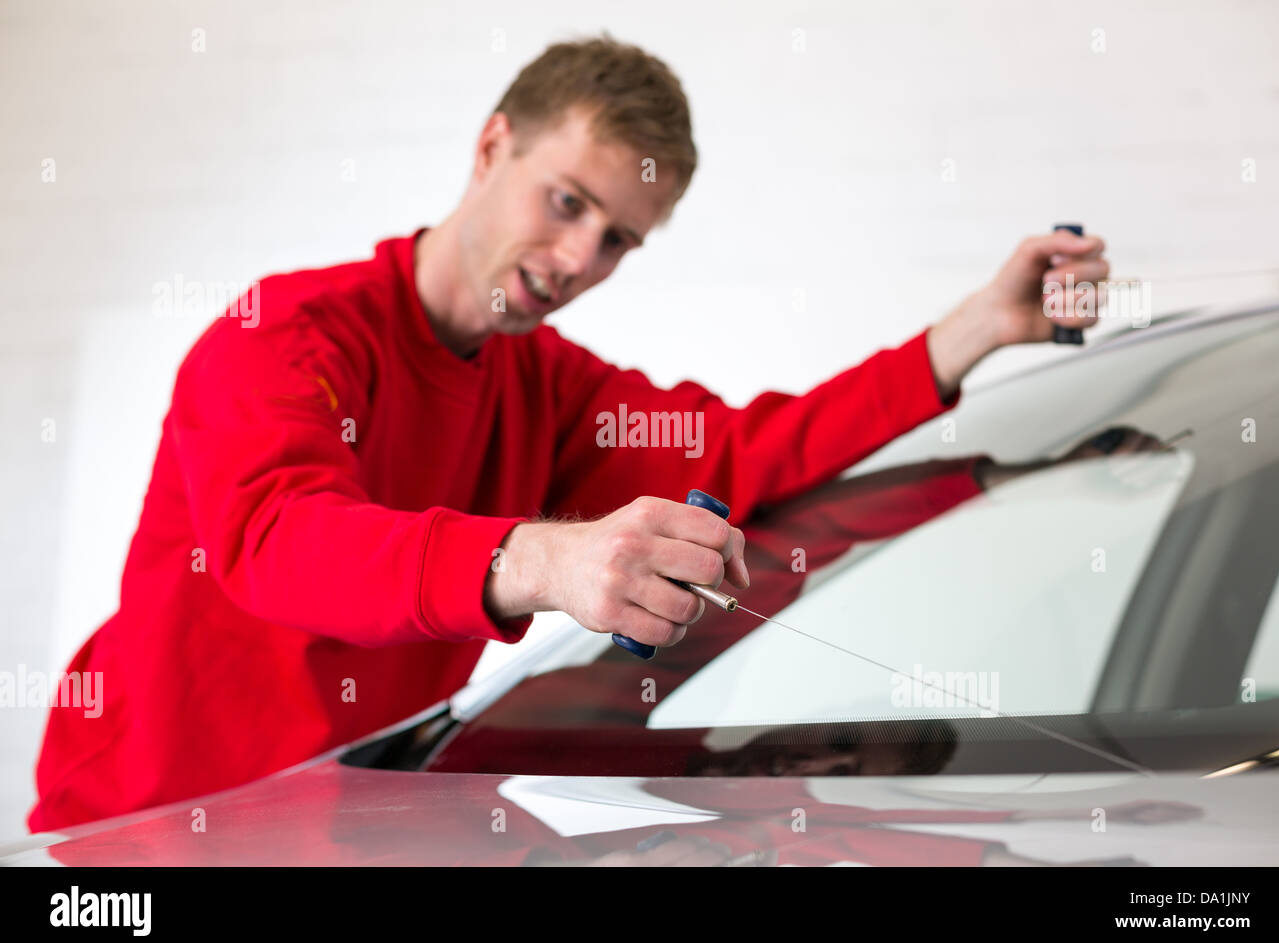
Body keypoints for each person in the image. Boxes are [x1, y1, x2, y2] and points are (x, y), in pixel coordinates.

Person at [29, 33, 1110, 832]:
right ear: (491, 145)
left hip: (354, 828)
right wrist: (539, 556)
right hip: (145, 834)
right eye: (563, 202)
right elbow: (279, 539)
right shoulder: (286, 334)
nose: (577, 258)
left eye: (617, 241)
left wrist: (973, 331)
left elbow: (739, 452)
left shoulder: (542, 386)